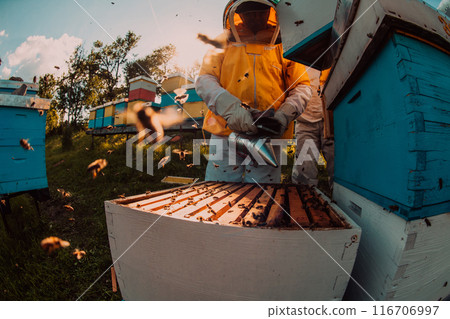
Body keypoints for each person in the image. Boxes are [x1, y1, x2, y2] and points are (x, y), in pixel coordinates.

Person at [195, 0, 312, 183]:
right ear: (237, 14)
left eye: (260, 12)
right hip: (226, 132)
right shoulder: (222, 42)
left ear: (270, 12)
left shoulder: (284, 43)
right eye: (249, 13)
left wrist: (284, 115)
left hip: (268, 134)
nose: (255, 17)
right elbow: (205, 80)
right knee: (218, 190)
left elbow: (302, 86)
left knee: (264, 195)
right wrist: (232, 110)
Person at [292, 68, 334, 191]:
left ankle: (341, 204)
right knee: (305, 170)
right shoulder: (296, 58)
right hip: (304, 121)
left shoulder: (332, 52)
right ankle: (302, 205)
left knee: (338, 169)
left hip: (331, 119)